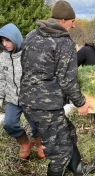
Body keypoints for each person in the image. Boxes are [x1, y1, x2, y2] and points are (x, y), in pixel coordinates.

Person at [19, 1, 95, 176]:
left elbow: (25, 65)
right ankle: (65, 168)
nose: (74, 25)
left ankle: (78, 169)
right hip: (46, 105)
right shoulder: (63, 42)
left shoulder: (31, 35)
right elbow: (67, 79)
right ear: (62, 20)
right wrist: (81, 103)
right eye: (72, 21)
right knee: (60, 152)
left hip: (28, 101)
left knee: (68, 132)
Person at [0, 23, 45, 160]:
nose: (5, 44)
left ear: (15, 38)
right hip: (13, 99)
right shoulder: (2, 57)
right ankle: (25, 144)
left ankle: (39, 145)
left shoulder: (29, 54)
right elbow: (1, 80)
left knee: (36, 124)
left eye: (8, 40)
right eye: (2, 40)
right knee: (9, 123)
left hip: (30, 98)